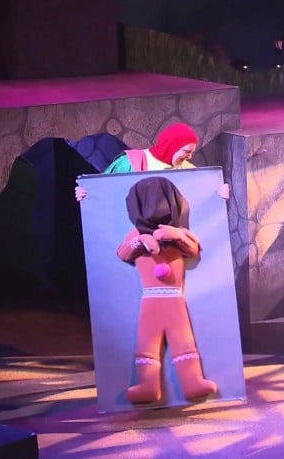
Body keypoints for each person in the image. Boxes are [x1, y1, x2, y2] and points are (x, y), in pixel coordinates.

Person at [116, 177, 217, 402]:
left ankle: (192, 382)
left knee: (184, 341)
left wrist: (177, 235)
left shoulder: (178, 232)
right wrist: (142, 241)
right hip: (150, 300)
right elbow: (122, 252)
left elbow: (194, 249)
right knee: (147, 342)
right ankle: (147, 385)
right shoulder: (135, 235)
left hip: (174, 299)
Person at [75, 122, 228, 201]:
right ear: (171, 147)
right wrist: (87, 193)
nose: (190, 157)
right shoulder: (131, 162)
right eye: (186, 151)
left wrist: (219, 193)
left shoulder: (187, 169)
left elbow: (205, 194)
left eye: (192, 153)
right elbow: (104, 188)